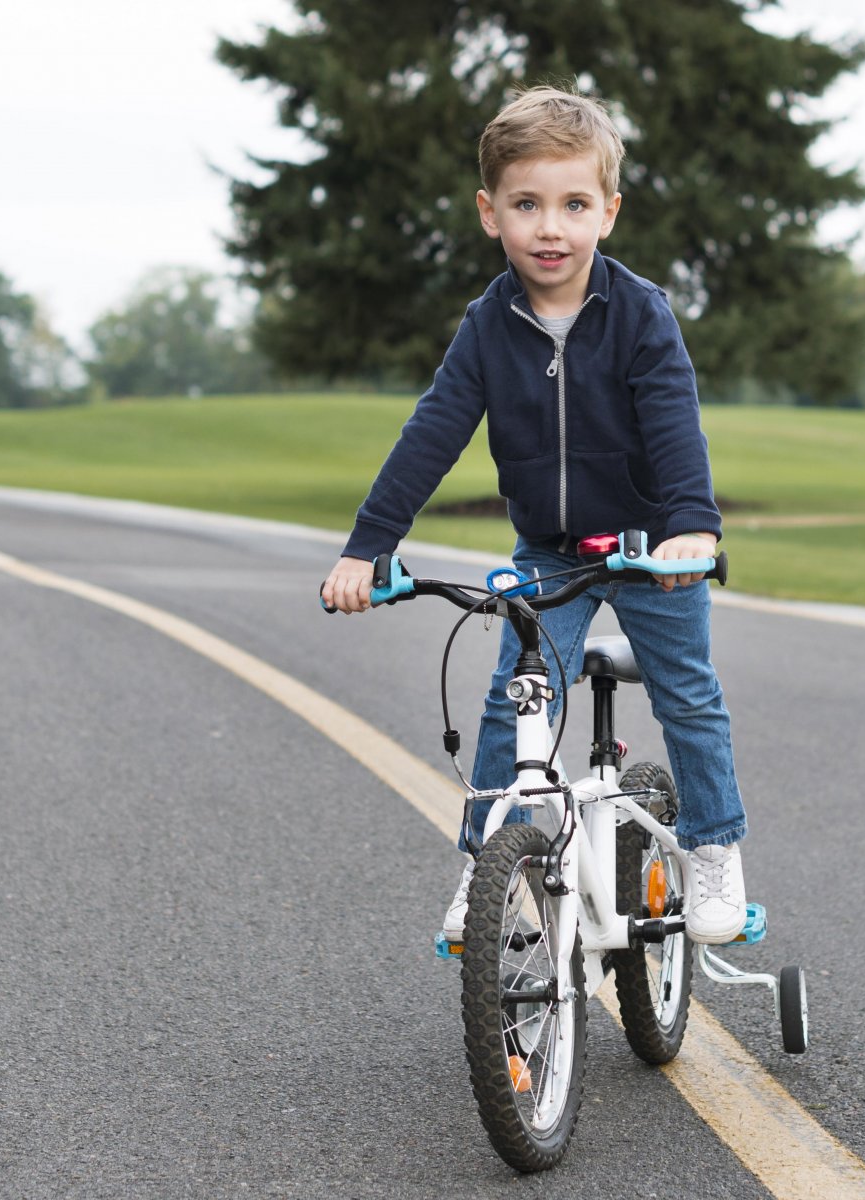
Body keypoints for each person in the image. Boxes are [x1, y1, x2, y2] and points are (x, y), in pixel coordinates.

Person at [318, 85, 748, 946]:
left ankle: (714, 850)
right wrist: (370, 548)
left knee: (688, 695)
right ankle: (486, 868)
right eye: (527, 205)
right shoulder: (488, 326)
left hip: (651, 547)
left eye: (573, 205)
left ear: (608, 212)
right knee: (513, 699)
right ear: (491, 214)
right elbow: (431, 433)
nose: (551, 227)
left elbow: (673, 423)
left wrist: (692, 528)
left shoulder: (640, 316)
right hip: (550, 551)